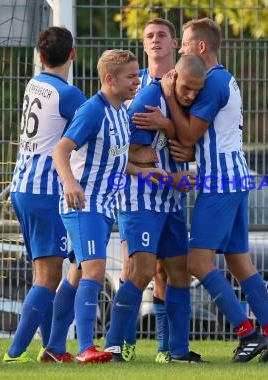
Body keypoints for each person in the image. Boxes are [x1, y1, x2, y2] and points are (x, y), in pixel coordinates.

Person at [153, 17, 268, 363]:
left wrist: (169, 99)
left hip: (219, 181)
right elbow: (199, 138)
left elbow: (188, 135)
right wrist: (191, 146)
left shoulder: (212, 82)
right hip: (234, 176)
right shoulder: (224, 78)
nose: (181, 49)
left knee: (197, 261)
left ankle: (247, 332)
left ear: (201, 47)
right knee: (239, 262)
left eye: (184, 43)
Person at [104, 54, 207, 364]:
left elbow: (187, 141)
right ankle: (114, 347)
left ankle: (177, 351)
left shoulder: (189, 104)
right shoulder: (149, 98)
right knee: (142, 270)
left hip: (171, 200)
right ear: (174, 76)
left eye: (195, 92)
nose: (190, 96)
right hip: (142, 199)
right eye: (186, 89)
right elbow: (124, 156)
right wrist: (168, 174)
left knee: (179, 273)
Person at [51, 49, 145, 364]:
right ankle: (86, 347)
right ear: (109, 79)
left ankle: (53, 347)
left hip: (103, 207)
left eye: (137, 74)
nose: (137, 81)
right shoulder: (93, 111)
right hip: (84, 204)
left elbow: (115, 160)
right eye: (131, 76)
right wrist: (70, 183)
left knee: (77, 272)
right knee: (95, 269)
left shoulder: (120, 111)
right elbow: (60, 151)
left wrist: (152, 174)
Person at [2, 26, 86, 364]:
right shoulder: (69, 95)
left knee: (50, 271)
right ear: (73, 55)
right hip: (45, 192)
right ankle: (15, 353)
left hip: (21, 187)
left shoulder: (34, 85)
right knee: (50, 275)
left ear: (40, 57)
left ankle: (52, 348)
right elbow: (94, 124)